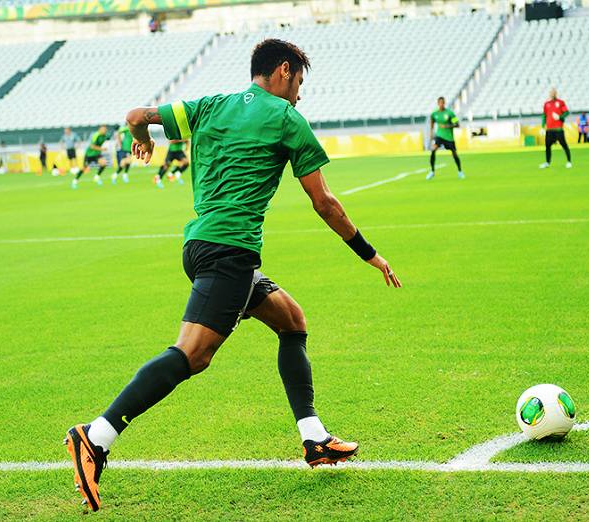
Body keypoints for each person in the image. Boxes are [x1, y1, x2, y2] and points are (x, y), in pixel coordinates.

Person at [64, 39, 402, 512]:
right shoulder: (287, 120)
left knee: (291, 320)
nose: (299, 96)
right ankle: (95, 437)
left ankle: (314, 438)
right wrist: (369, 254)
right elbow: (324, 202)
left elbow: (136, 114)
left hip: (201, 246)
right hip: (230, 255)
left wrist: (142, 139)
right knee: (193, 355)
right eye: (299, 84)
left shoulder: (209, 105)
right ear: (283, 72)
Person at [426, 96, 464, 180]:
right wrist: (431, 135)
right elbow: (432, 124)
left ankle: (460, 171)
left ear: (444, 103)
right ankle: (432, 171)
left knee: (454, 154)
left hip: (449, 137)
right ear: (438, 103)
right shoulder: (434, 114)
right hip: (439, 136)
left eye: (442, 103)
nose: (441, 104)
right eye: (439, 103)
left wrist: (447, 126)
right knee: (433, 150)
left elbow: (457, 124)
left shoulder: (450, 113)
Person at [539, 87, 572, 169]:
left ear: (556, 93)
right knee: (547, 146)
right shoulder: (546, 104)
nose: (552, 94)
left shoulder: (560, 102)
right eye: (551, 92)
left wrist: (560, 117)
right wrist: (542, 127)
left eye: (553, 92)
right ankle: (547, 162)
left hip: (558, 129)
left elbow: (567, 112)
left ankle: (569, 162)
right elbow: (544, 116)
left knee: (564, 145)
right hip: (549, 130)